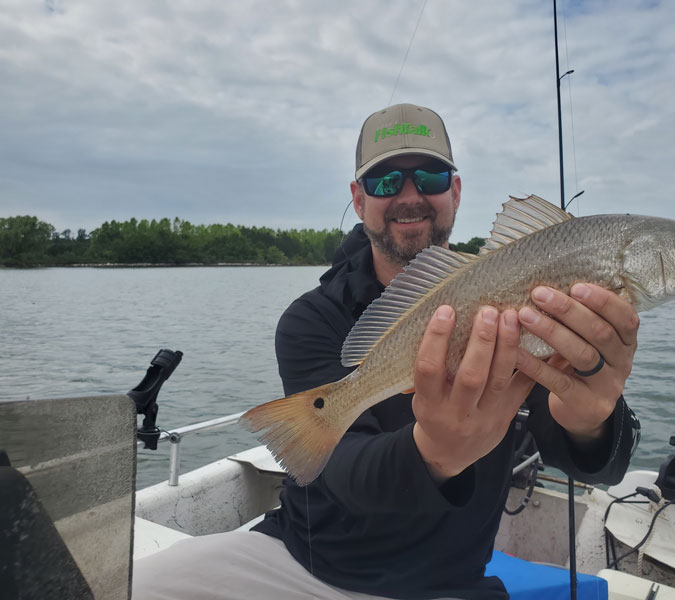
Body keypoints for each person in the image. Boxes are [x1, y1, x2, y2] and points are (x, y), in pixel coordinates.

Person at [133, 103, 640, 600]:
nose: (409, 196)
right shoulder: (311, 318)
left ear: (455, 191)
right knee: (137, 583)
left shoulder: (530, 299)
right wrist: (434, 453)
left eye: (430, 177)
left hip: (449, 585)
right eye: (385, 181)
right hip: (305, 562)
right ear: (359, 200)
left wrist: (592, 421)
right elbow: (338, 468)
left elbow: (595, 465)